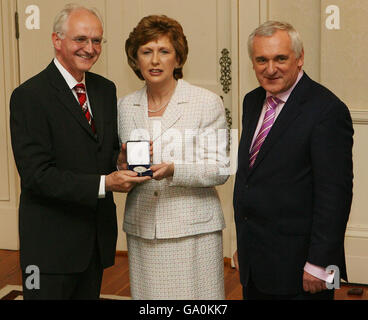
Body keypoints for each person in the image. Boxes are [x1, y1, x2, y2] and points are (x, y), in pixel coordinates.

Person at [9, 4, 150, 300]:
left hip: (94, 242)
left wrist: (119, 159)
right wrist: (105, 183)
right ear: (57, 40)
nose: (90, 48)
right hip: (49, 249)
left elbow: (102, 152)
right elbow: (37, 176)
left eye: (96, 40)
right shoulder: (29, 97)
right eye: (80, 39)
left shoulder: (104, 89)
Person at [233, 21, 353, 300]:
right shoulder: (252, 102)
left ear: (300, 59)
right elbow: (251, 179)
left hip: (304, 270)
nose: (270, 68)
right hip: (257, 264)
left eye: (280, 58)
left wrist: (320, 264)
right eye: (261, 59)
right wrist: (245, 244)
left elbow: (334, 195)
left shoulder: (327, 110)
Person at [118, 15, 229, 299]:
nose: (155, 60)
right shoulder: (123, 107)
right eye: (146, 52)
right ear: (136, 60)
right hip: (144, 228)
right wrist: (118, 166)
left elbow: (220, 168)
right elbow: (118, 163)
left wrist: (173, 169)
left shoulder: (207, 102)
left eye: (164, 51)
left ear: (178, 59)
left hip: (194, 231)